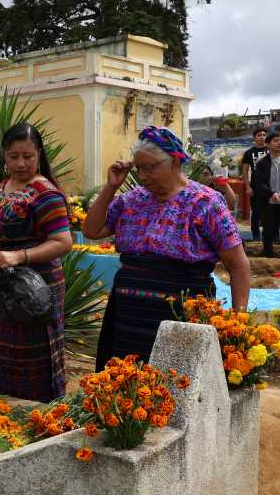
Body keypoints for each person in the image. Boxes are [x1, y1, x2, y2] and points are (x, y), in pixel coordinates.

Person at [84, 126, 250, 363]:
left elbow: (238, 266)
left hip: (181, 317)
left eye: (150, 167)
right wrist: (111, 187)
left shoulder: (206, 202)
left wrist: (237, 321)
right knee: (126, 386)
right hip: (128, 316)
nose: (142, 176)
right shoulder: (132, 200)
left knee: (176, 381)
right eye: (138, 168)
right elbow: (91, 230)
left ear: (174, 162)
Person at [0, 123, 73, 401]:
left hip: (38, 287)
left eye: (28, 156)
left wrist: (20, 257)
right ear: (4, 156)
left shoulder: (47, 194)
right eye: (13, 156)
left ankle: (41, 414)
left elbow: (63, 242)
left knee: (34, 353)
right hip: (3, 285)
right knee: (1, 350)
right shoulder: (0, 188)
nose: (21, 163)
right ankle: (2, 410)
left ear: (39, 155)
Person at [251, 132, 280, 260]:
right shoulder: (262, 163)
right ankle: (268, 254)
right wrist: (271, 193)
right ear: (268, 144)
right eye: (276, 141)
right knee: (268, 229)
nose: (279, 143)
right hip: (268, 203)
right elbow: (257, 183)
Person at [240, 127, 269, 241]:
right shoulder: (249, 153)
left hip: (270, 186)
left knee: (270, 211)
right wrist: (247, 187)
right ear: (254, 138)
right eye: (259, 135)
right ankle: (256, 236)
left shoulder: (270, 150)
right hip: (256, 186)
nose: (262, 137)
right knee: (256, 212)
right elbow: (245, 171)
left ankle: (271, 235)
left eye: (263, 135)